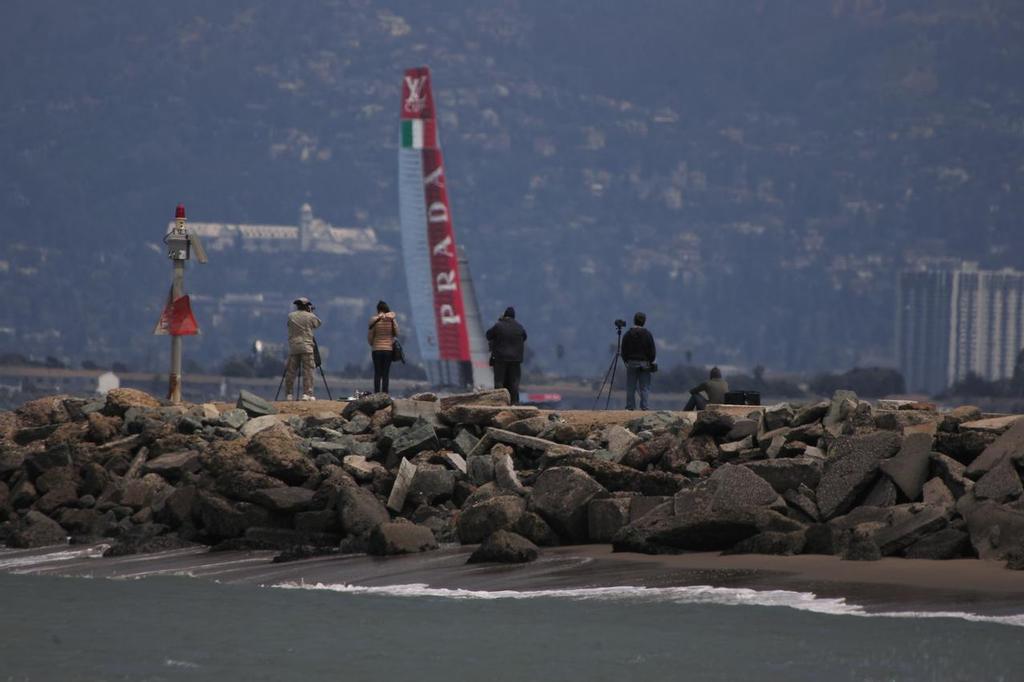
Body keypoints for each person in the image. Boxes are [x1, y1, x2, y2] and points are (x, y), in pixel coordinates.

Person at [486, 306, 527, 404]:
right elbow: (524, 337)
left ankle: (499, 402)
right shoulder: (519, 327)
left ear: (505, 315)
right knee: (514, 383)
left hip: (500, 358)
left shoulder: (499, 325)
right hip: (515, 360)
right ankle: (515, 403)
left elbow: (488, 335)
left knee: (499, 381)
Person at [284, 297, 322, 401]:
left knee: (291, 371)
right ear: (307, 306)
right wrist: (311, 312)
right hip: (307, 346)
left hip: (294, 347)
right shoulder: (310, 316)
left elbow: (289, 325)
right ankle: (307, 393)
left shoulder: (291, 316)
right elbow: (318, 323)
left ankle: (289, 394)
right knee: (308, 371)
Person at [621, 312, 656, 411]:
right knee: (644, 387)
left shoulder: (628, 334)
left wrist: (626, 361)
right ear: (644, 322)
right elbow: (652, 351)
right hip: (644, 363)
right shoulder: (648, 334)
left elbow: (623, 349)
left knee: (631, 386)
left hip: (631, 362)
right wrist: (650, 361)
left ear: (634, 320)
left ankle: (630, 406)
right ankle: (644, 407)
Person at [367, 300, 399, 394]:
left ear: (378, 310)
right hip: (388, 350)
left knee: (377, 373)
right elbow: (397, 333)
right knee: (385, 374)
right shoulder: (392, 320)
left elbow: (370, 336)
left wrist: (373, 344)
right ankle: (385, 394)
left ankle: (376, 394)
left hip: (376, 349)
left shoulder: (374, 320)